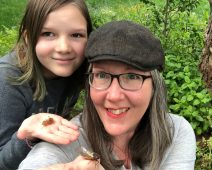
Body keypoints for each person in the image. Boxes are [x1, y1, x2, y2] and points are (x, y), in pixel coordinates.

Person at [19, 20, 196, 170]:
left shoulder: (175, 132)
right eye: (102, 75)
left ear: (154, 86)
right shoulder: (68, 140)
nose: (113, 96)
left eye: (132, 76)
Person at [0, 0, 93, 169]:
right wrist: (28, 137)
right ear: (28, 38)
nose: (64, 48)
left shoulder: (78, 67)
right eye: (48, 34)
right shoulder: (8, 81)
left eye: (76, 35)